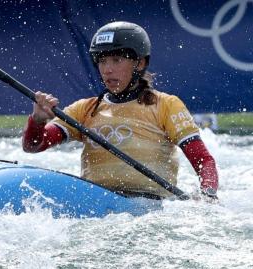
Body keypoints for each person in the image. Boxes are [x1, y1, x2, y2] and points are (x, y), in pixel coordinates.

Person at [22, 21, 218, 200]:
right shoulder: (83, 109)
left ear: (139, 63)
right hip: (96, 204)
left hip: (150, 207)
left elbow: (204, 161)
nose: (107, 69)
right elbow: (33, 146)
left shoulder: (166, 105)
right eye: (102, 61)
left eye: (116, 60)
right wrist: (37, 121)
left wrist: (208, 194)